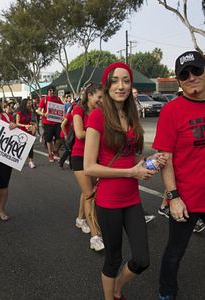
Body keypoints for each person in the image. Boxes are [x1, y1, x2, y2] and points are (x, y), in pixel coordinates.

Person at [84, 62, 166, 300]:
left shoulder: (131, 115)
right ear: (107, 85)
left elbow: (132, 155)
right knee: (113, 258)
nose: (121, 86)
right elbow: (89, 166)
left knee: (142, 259)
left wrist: (150, 160)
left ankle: (118, 287)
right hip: (108, 200)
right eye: (115, 80)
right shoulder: (98, 116)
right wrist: (131, 172)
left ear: (131, 85)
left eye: (126, 80)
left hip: (131, 198)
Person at [153, 50, 205, 300]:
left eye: (196, 70)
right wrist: (173, 197)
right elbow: (166, 160)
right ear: (179, 80)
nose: (191, 77)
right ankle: (166, 293)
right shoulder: (171, 111)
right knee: (175, 252)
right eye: (184, 74)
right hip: (187, 200)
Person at [71, 83, 105, 251]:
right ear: (90, 95)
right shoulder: (79, 110)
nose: (101, 100)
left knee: (87, 191)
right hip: (79, 156)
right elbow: (79, 133)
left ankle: (80, 219)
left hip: (96, 156)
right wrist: (98, 133)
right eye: (99, 97)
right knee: (90, 194)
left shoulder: (101, 112)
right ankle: (95, 236)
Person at [36, 86, 63, 162]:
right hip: (47, 123)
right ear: (47, 92)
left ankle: (55, 150)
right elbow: (38, 111)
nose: (51, 92)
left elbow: (62, 108)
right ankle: (50, 154)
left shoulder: (57, 99)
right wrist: (44, 114)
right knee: (49, 139)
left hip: (57, 122)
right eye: (50, 90)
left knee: (60, 138)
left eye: (53, 90)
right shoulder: (44, 100)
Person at [16, 98, 36, 168]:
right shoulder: (19, 112)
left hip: (29, 130)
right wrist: (24, 125)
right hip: (21, 131)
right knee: (21, 147)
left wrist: (33, 124)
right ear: (24, 104)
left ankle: (31, 161)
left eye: (30, 103)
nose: (30, 104)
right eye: (28, 103)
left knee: (30, 146)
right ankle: (17, 160)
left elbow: (29, 121)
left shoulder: (30, 112)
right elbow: (17, 123)